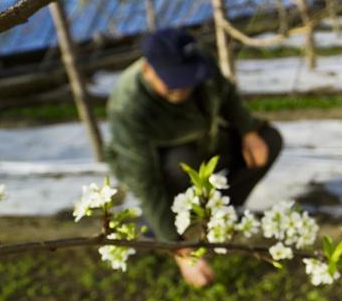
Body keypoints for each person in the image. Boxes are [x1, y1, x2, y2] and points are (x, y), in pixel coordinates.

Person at [105, 27, 283, 287]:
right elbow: (145, 180)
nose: (184, 88)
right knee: (179, 166)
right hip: (164, 161)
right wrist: (180, 251)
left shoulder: (201, 63)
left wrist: (248, 132)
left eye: (189, 79)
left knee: (269, 141)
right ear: (148, 70)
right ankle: (170, 227)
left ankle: (219, 216)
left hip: (206, 140)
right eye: (175, 81)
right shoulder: (128, 106)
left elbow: (227, 95)